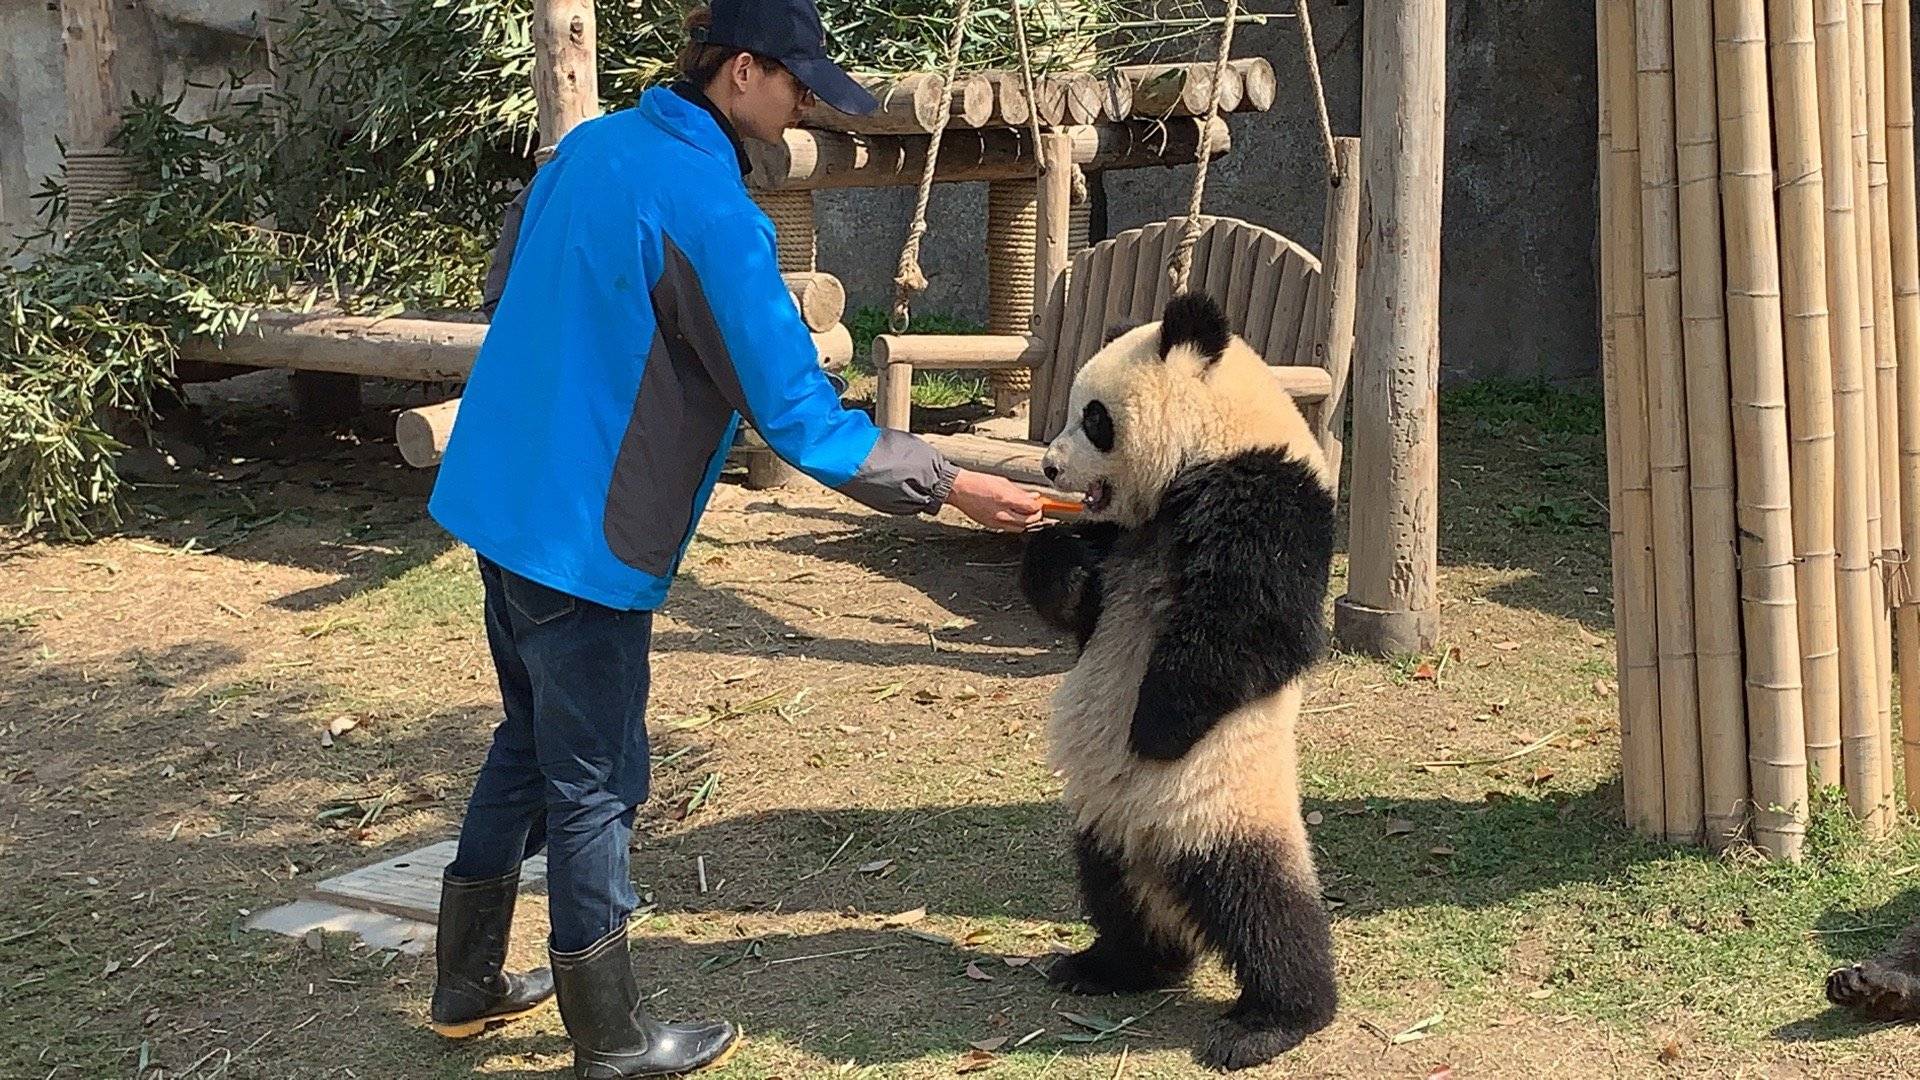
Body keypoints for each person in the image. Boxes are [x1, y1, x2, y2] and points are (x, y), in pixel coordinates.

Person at [419, 0, 1046, 1075]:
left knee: (527, 746)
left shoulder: (589, 147)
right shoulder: (709, 208)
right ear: (740, 70)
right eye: (798, 84)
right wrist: (955, 485)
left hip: (496, 495)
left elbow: (509, 287)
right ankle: (611, 1040)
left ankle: (466, 986)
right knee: (597, 784)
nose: (808, 104)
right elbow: (802, 419)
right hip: (581, 536)